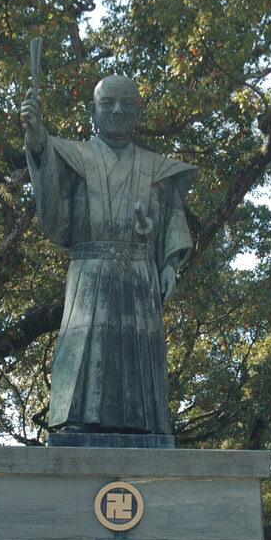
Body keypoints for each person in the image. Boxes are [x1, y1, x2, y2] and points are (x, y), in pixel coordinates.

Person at [21, 75, 195, 435]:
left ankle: (143, 425)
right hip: (89, 271)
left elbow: (171, 220)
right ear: (92, 111)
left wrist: (169, 265)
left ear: (139, 115)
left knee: (138, 348)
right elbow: (51, 192)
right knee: (84, 340)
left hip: (140, 275)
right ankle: (75, 422)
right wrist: (37, 137)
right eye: (107, 104)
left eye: (127, 105)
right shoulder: (74, 158)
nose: (117, 111)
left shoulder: (157, 169)